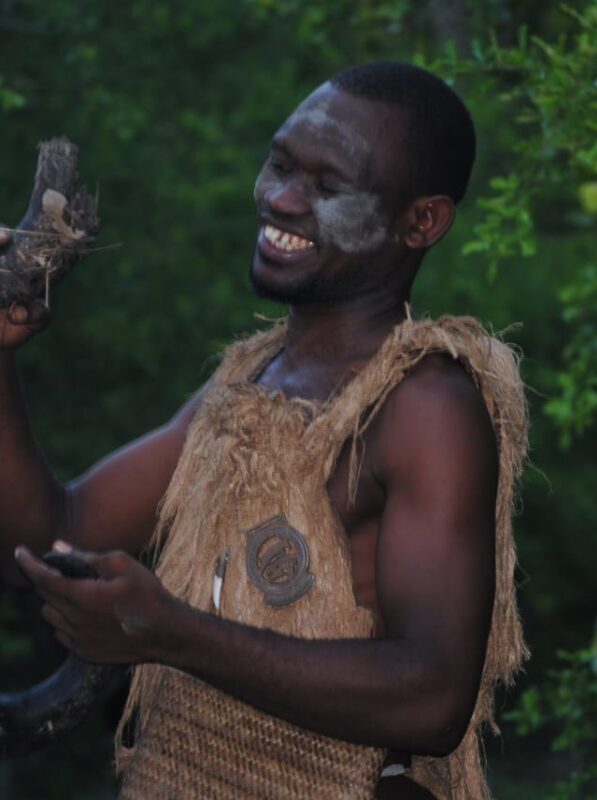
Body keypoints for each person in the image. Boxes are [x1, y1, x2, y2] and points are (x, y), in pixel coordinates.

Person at [0, 62, 528, 799]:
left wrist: (169, 632)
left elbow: (433, 699)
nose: (280, 198)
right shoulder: (249, 382)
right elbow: (55, 533)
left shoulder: (424, 405)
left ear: (421, 222)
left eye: (328, 185)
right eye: (280, 164)